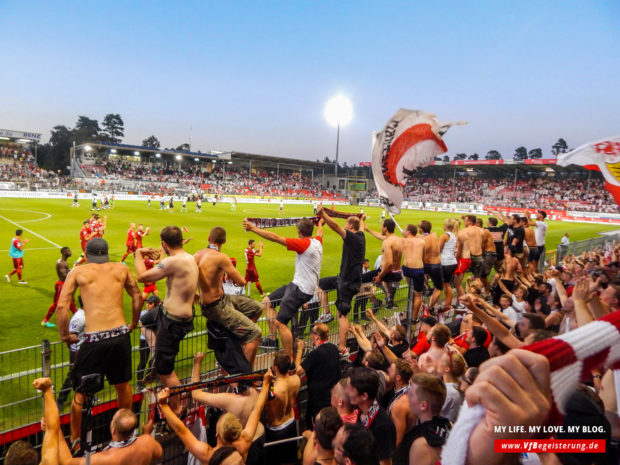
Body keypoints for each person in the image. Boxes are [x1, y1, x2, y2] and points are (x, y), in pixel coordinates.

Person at [56, 237, 142, 453]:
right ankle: (127, 430)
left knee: (80, 391)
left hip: (94, 338)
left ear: (87, 255)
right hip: (120, 334)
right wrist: (132, 322)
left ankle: (75, 438)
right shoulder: (121, 268)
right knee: (122, 384)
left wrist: (65, 336)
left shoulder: (78, 271)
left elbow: (62, 306)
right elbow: (137, 296)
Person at [134, 226, 199, 416]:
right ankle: (157, 353)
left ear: (164, 243)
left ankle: (179, 409)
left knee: (166, 371)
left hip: (173, 321)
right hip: (169, 313)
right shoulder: (189, 257)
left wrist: (138, 254)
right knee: (145, 320)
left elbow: (142, 277)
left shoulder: (173, 261)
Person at [245, 217, 323, 358]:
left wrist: (253, 229)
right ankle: (272, 340)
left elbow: (276, 238)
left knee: (280, 322)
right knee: (267, 302)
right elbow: (321, 232)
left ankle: (289, 358)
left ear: (299, 231)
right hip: (299, 285)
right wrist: (321, 223)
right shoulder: (317, 241)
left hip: (300, 289)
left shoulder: (303, 244)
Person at [159, 369, 272, 464]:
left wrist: (163, 404)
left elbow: (181, 430)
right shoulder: (244, 443)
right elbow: (257, 410)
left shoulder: (208, 454)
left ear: (217, 434)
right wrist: (266, 383)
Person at [195, 227, 263, 367]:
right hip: (217, 306)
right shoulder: (221, 257)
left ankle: (238, 340)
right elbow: (241, 282)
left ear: (209, 238)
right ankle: (243, 375)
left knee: (258, 307)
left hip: (218, 300)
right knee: (255, 333)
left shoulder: (196, 255)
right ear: (224, 241)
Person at [191, 353, 266, 465]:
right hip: (258, 439)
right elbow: (256, 404)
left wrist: (197, 364)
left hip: (235, 448)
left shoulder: (229, 400)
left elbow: (196, 394)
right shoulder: (257, 393)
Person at [314, 206, 366, 356]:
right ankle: (326, 313)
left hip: (348, 281)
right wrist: (362, 219)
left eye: (347, 224)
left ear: (350, 226)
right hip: (343, 278)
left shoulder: (352, 238)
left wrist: (323, 214)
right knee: (320, 284)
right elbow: (361, 226)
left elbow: (336, 227)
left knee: (342, 313)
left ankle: (342, 348)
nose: (345, 226)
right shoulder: (361, 236)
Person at [394, 374, 451, 465]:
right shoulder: (448, 425)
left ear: (423, 405)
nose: (407, 395)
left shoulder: (421, 445)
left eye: (411, 394)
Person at [295, 323, 341, 428]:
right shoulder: (334, 348)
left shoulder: (316, 353)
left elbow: (298, 371)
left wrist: (299, 350)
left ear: (317, 336)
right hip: (333, 397)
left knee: (316, 426)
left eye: (312, 333)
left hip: (319, 400)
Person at [347, 367, 396, 465]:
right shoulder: (362, 412)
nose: (347, 391)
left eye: (351, 389)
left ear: (364, 396)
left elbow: (385, 463)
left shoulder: (382, 426)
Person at [265, 353, 301, 465]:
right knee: (291, 459)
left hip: (276, 431)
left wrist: (267, 382)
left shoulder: (275, 390)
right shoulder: (296, 380)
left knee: (275, 461)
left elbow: (263, 402)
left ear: (275, 367)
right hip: (291, 423)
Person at [364, 219, 403, 309]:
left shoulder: (387, 242)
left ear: (385, 228)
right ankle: (389, 300)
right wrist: (368, 229)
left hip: (386, 274)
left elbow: (389, 263)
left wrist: (380, 276)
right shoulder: (398, 239)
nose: (380, 228)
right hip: (397, 273)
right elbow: (379, 236)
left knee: (361, 282)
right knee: (386, 287)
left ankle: (376, 301)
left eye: (382, 226)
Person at [42, 247, 76, 327]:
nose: (70, 252)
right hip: (62, 285)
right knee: (57, 304)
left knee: (71, 301)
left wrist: (72, 270)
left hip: (64, 284)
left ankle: (80, 319)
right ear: (64, 253)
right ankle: (45, 321)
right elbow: (64, 275)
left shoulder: (63, 262)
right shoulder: (61, 263)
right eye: (68, 251)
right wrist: (74, 271)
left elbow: (65, 272)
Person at [454, 215, 483, 301]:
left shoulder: (465, 231)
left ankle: (463, 299)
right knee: (477, 277)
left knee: (458, 281)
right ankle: (478, 297)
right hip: (479, 256)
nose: (464, 222)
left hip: (468, 256)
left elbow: (460, 242)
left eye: (465, 221)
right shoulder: (481, 231)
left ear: (469, 222)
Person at [387, 359, 415, 448]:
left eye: (391, 370)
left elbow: (397, 441)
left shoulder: (400, 405)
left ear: (398, 377)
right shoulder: (410, 388)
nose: (388, 370)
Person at [401, 224, 425, 320]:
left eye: (404, 229)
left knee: (412, 290)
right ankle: (414, 316)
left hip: (406, 269)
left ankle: (411, 292)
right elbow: (424, 255)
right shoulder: (422, 242)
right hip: (418, 269)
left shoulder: (403, 240)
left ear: (408, 232)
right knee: (418, 294)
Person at [418, 220, 443, 311]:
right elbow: (429, 234)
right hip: (436, 265)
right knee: (439, 288)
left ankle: (425, 287)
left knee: (418, 289)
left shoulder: (420, 239)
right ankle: (430, 307)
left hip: (424, 265)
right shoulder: (434, 235)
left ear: (421, 229)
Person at [136, 295, 160, 388]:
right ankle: (139, 382)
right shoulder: (143, 313)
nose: (147, 305)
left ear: (156, 304)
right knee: (143, 361)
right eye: (147, 303)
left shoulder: (158, 313)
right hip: (144, 340)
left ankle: (153, 376)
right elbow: (141, 327)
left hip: (155, 339)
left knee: (155, 358)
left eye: (150, 303)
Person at [439, 218, 458, 311]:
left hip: (445, 263)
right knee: (447, 284)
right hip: (452, 262)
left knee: (444, 285)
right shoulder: (453, 235)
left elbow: (438, 249)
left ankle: (447, 305)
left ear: (445, 225)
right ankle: (447, 305)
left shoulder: (444, 236)